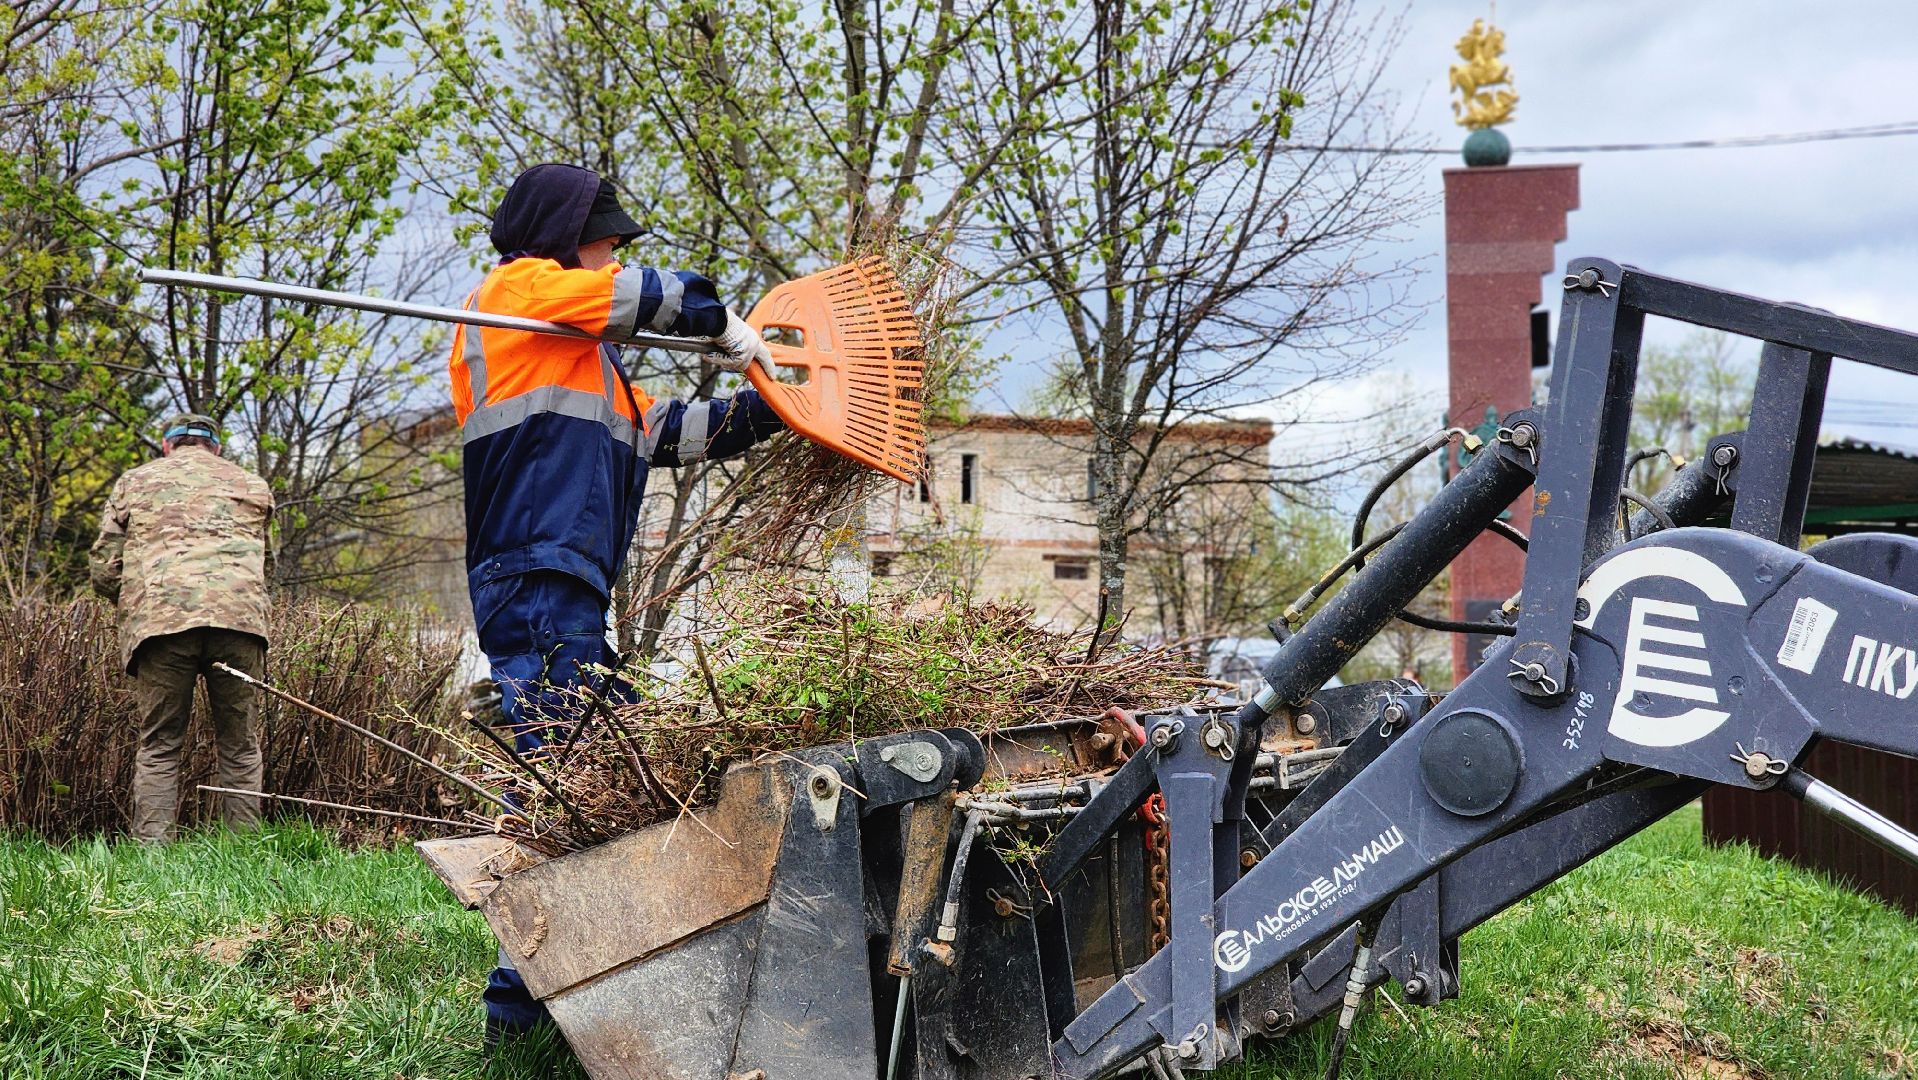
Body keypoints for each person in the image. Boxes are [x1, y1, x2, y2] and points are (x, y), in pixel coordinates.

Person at [451, 163, 784, 1042]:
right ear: (562, 239)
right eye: (603, 238)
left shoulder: (588, 361)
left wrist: (773, 405)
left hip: (566, 582)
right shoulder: (519, 293)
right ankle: (522, 1020)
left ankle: (543, 1012)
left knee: (593, 782)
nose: (613, 252)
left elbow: (664, 433)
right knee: (584, 781)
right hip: (533, 571)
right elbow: (641, 296)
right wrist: (719, 318)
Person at [89, 413, 275, 843]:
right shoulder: (252, 485)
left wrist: (142, 600)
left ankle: (153, 853)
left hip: (161, 626)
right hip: (239, 623)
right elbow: (267, 565)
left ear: (167, 444)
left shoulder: (134, 482)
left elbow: (103, 570)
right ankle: (243, 852)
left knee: (160, 744)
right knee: (241, 745)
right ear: (216, 447)